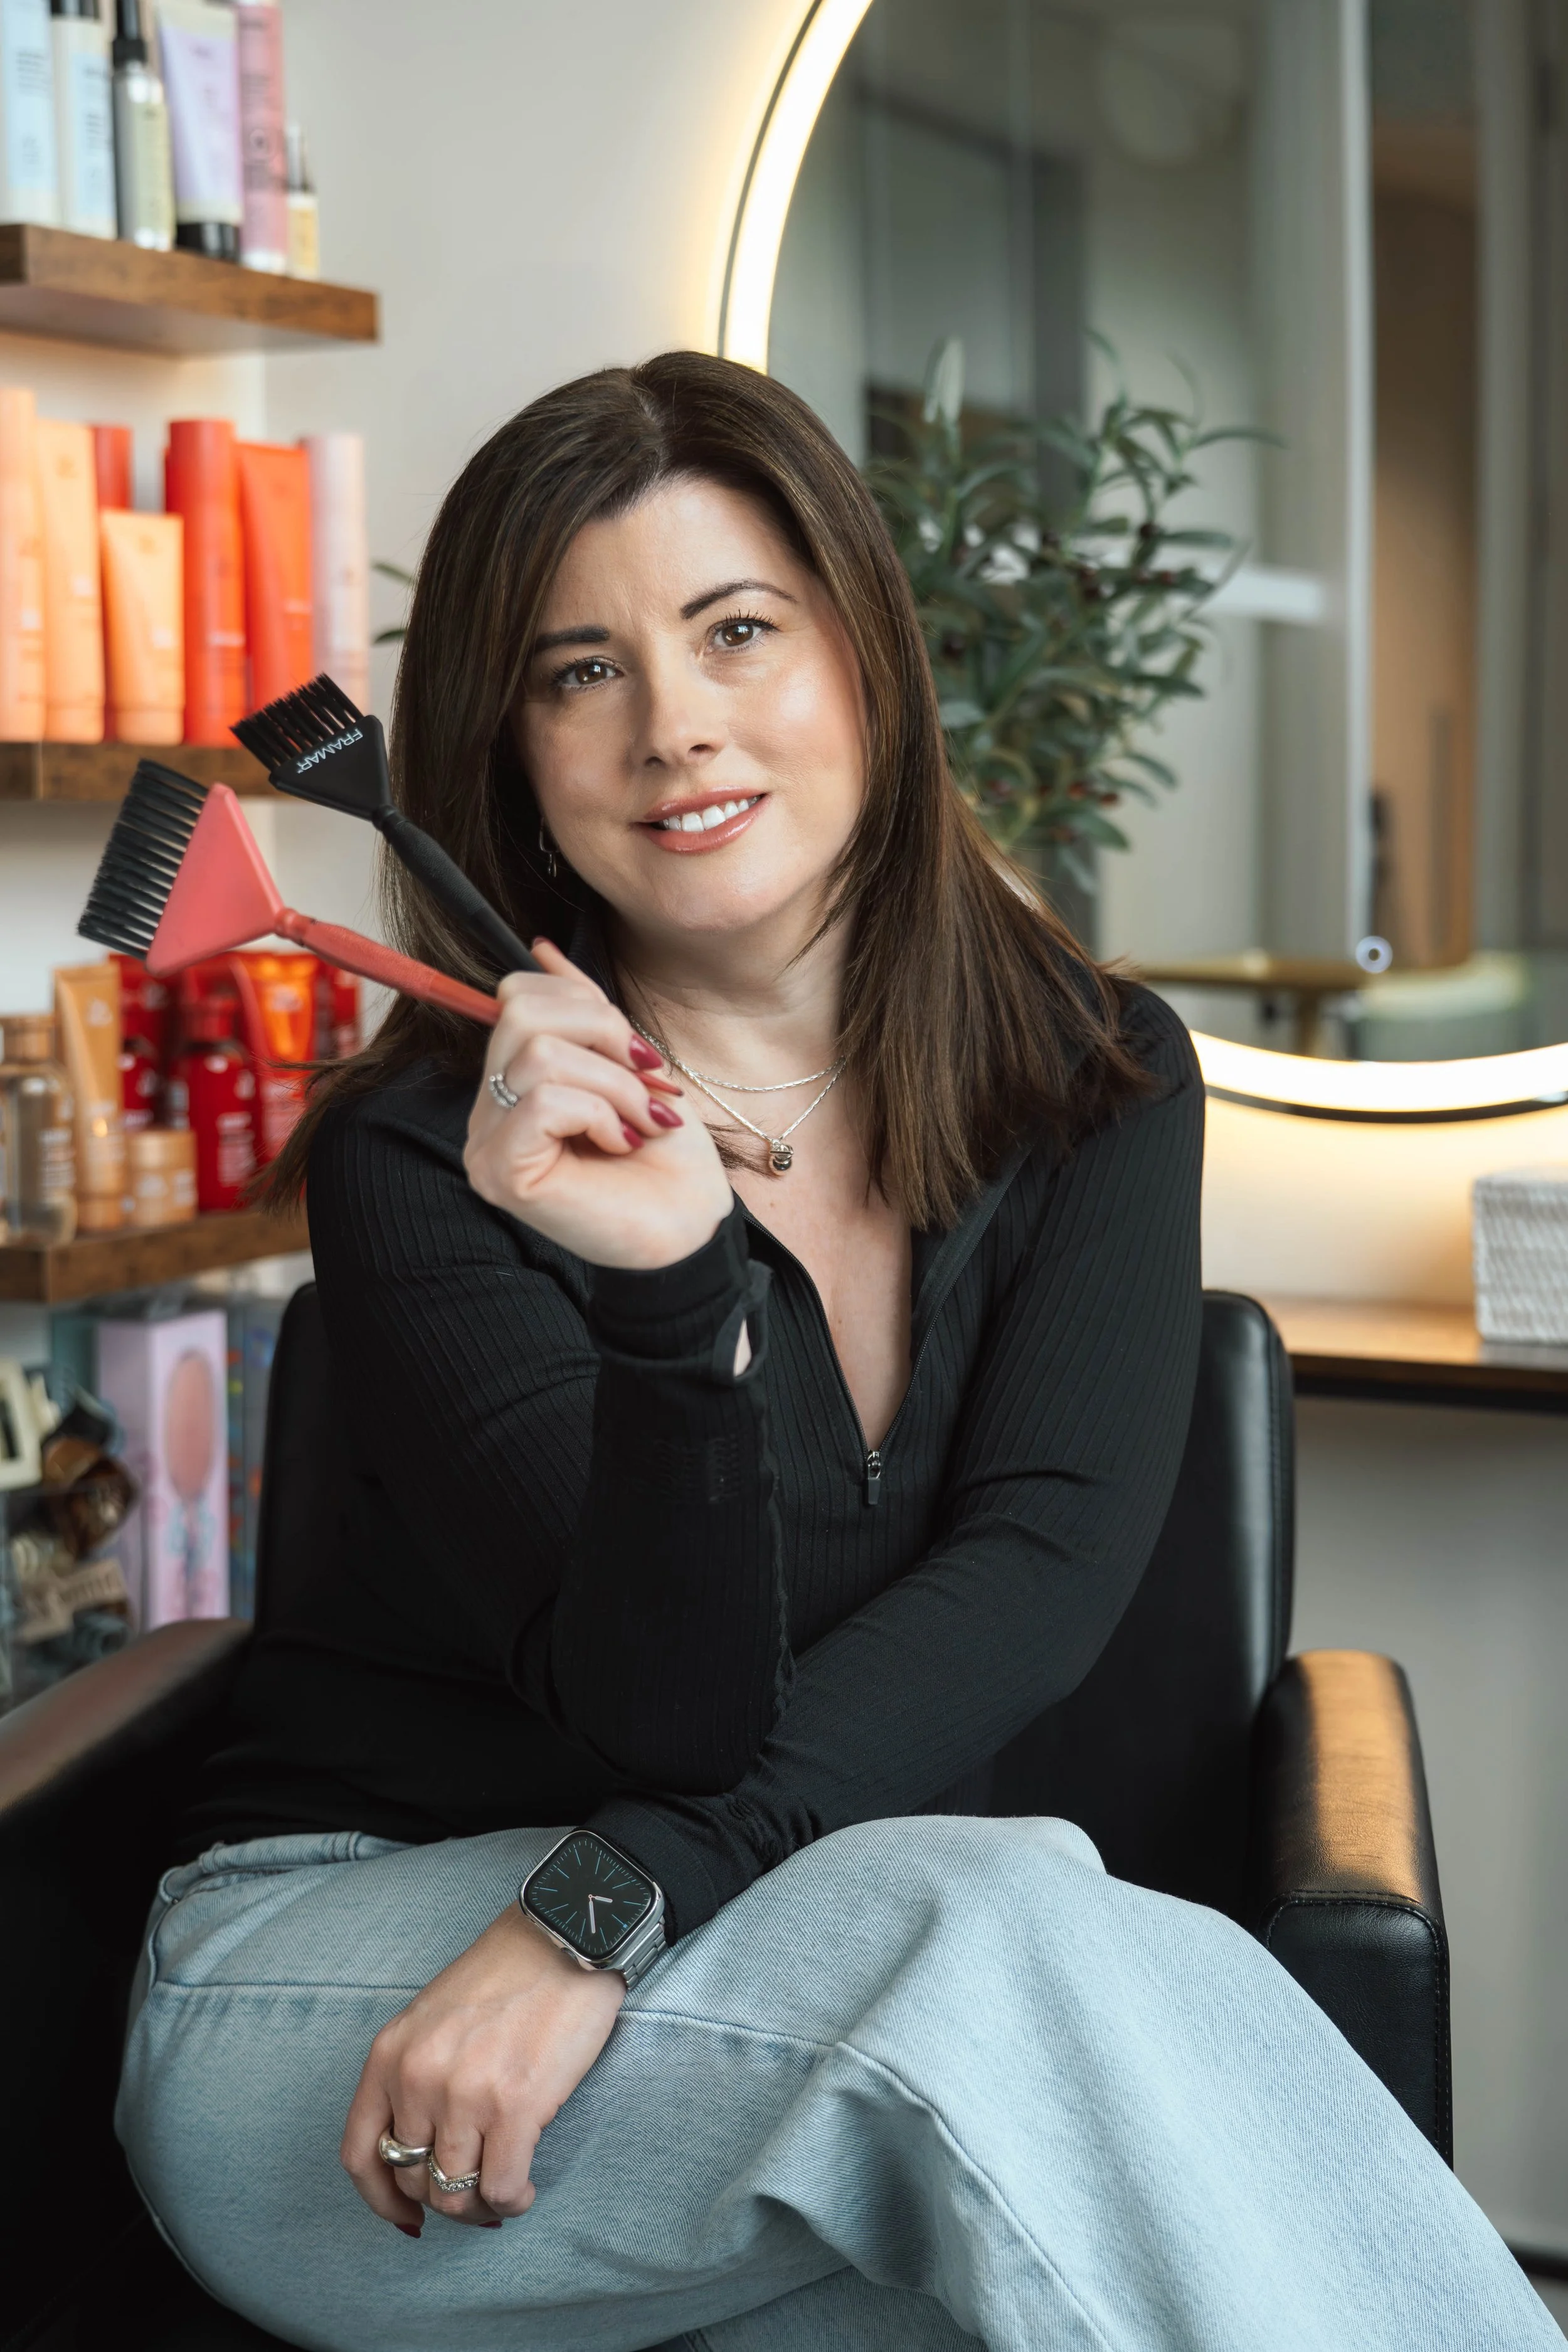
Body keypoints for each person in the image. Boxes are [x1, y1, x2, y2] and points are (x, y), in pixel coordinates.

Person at [116, 353, 1552, 2352]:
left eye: (734, 631)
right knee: (997, 1920)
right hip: (363, 2024)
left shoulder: (1097, 1077)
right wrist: (665, 1291)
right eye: (577, 670)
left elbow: (1033, 1581)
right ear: (509, 751)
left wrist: (604, 1908)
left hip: (736, 1990)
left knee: (1006, 2186)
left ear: (863, 655)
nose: (674, 726)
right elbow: (662, 1715)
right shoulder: (425, 1155)